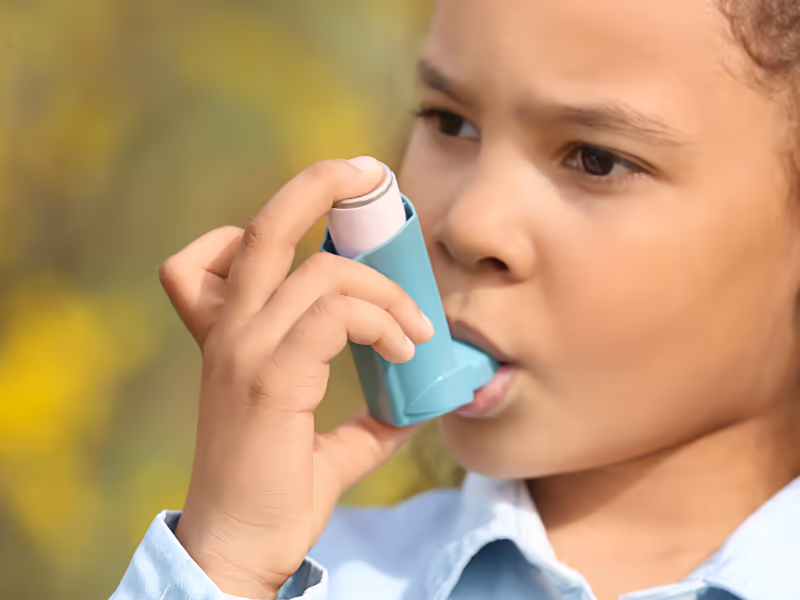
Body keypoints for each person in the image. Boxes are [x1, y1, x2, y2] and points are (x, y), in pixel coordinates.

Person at [110, 0, 800, 598]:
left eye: (597, 159)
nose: (467, 224)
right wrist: (228, 558)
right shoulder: (304, 577)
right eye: (449, 122)